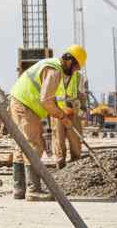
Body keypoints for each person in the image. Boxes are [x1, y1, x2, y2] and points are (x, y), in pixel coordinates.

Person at [8, 45, 86, 199]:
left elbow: (49, 99)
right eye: (76, 66)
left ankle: (19, 189)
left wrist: (62, 114)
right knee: (35, 144)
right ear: (69, 60)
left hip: (23, 102)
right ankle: (33, 189)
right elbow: (46, 101)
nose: (76, 70)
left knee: (23, 145)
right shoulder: (54, 71)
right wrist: (62, 116)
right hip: (26, 104)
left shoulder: (55, 68)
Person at [52, 69, 87, 169]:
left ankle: (75, 165)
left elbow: (82, 95)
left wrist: (82, 109)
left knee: (75, 140)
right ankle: (60, 165)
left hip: (73, 112)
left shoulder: (78, 77)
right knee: (59, 139)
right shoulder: (55, 75)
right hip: (57, 112)